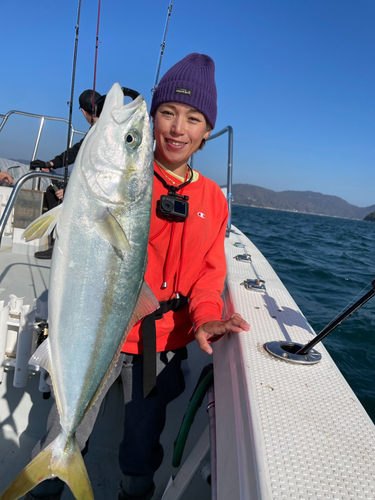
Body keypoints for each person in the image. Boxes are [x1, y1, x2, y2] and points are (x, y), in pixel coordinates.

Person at [24, 53, 250, 500]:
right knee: (62, 428)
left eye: (193, 118)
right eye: (166, 112)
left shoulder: (213, 201)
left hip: (161, 344)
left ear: (207, 133)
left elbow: (209, 275)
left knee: (142, 446)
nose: (177, 127)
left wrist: (206, 317)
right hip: (97, 331)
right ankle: (43, 484)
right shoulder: (129, 177)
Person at [32, 90, 101, 259]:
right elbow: (76, 151)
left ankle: (60, 246)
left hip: (97, 193)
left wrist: (70, 190)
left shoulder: (99, 132)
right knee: (52, 190)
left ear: (84, 112)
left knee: (55, 194)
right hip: (93, 189)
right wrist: (50, 164)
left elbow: (97, 171)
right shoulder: (100, 129)